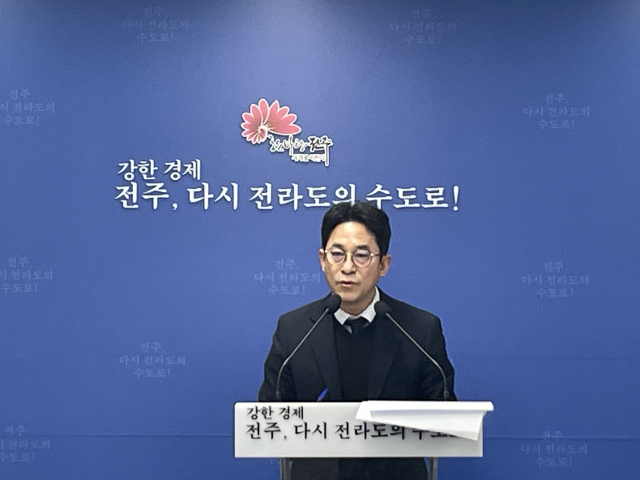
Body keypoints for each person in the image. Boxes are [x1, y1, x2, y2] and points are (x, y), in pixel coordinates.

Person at [258, 201, 455, 480]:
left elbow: (445, 420)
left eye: (362, 255)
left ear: (383, 264)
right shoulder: (294, 330)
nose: (348, 267)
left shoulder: (419, 329)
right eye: (337, 254)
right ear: (322, 260)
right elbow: (268, 418)